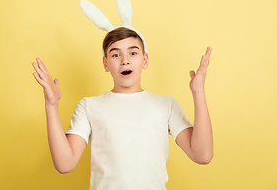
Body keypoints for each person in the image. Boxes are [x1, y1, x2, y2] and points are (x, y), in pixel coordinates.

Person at [32, 27, 213, 190]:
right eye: (116, 55)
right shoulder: (89, 106)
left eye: (133, 53)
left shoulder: (166, 105)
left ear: (145, 59)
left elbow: (202, 155)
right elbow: (65, 164)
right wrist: (51, 105)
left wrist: (198, 93)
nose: (125, 61)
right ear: (105, 64)